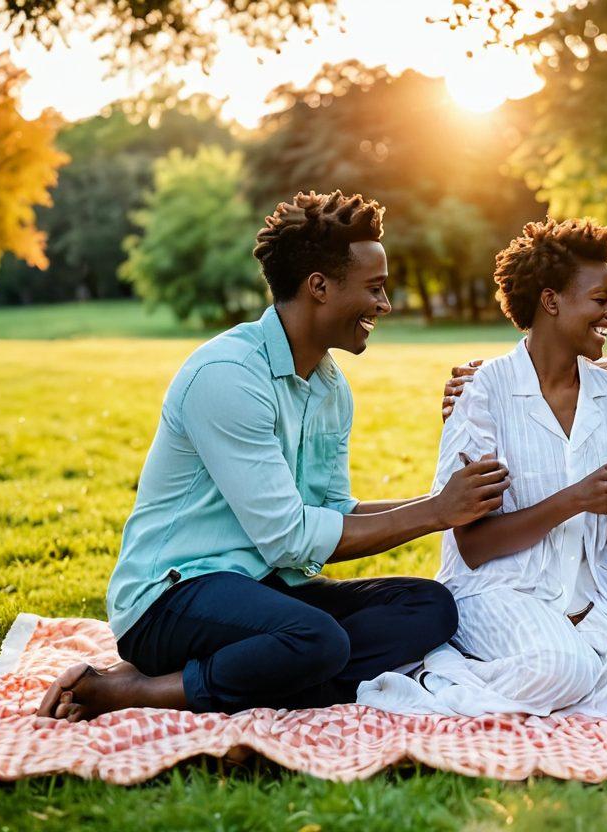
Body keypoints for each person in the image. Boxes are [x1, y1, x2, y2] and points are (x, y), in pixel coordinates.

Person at [37, 191, 510, 722]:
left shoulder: (330, 388)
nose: (385, 304)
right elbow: (289, 537)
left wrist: (447, 503)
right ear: (319, 287)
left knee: (430, 608)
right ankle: (135, 690)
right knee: (318, 641)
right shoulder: (228, 375)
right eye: (374, 288)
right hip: (172, 597)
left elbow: (334, 509)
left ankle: (254, 672)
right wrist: (436, 513)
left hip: (266, 587)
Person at [356, 218, 607, 716]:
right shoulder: (483, 394)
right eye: (600, 299)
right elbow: (476, 544)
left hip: (594, 594)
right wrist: (578, 499)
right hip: (499, 590)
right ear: (551, 302)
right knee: (562, 669)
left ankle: (551, 678)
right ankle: (439, 675)